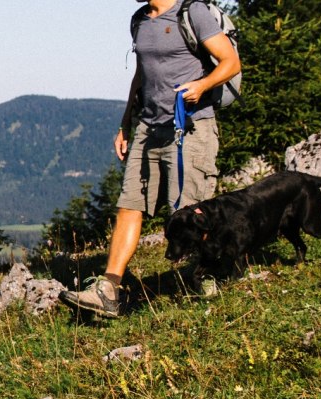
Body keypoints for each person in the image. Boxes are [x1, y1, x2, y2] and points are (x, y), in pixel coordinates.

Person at [60, 0, 242, 318]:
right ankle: (109, 289)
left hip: (191, 125)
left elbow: (230, 62)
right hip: (149, 126)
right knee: (130, 205)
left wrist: (202, 85)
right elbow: (141, 75)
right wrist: (125, 123)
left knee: (191, 211)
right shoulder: (140, 20)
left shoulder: (192, 12)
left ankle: (212, 275)